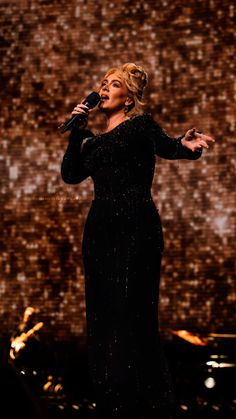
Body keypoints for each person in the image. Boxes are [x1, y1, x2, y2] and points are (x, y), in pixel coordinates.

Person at [60, 63, 215, 419]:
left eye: (113, 84)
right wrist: (75, 131)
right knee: (102, 319)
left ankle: (149, 406)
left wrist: (187, 146)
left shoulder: (141, 126)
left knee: (133, 317)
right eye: (102, 83)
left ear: (128, 97)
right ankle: (113, 403)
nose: (104, 88)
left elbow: (169, 147)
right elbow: (71, 176)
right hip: (99, 230)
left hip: (136, 227)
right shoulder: (93, 142)